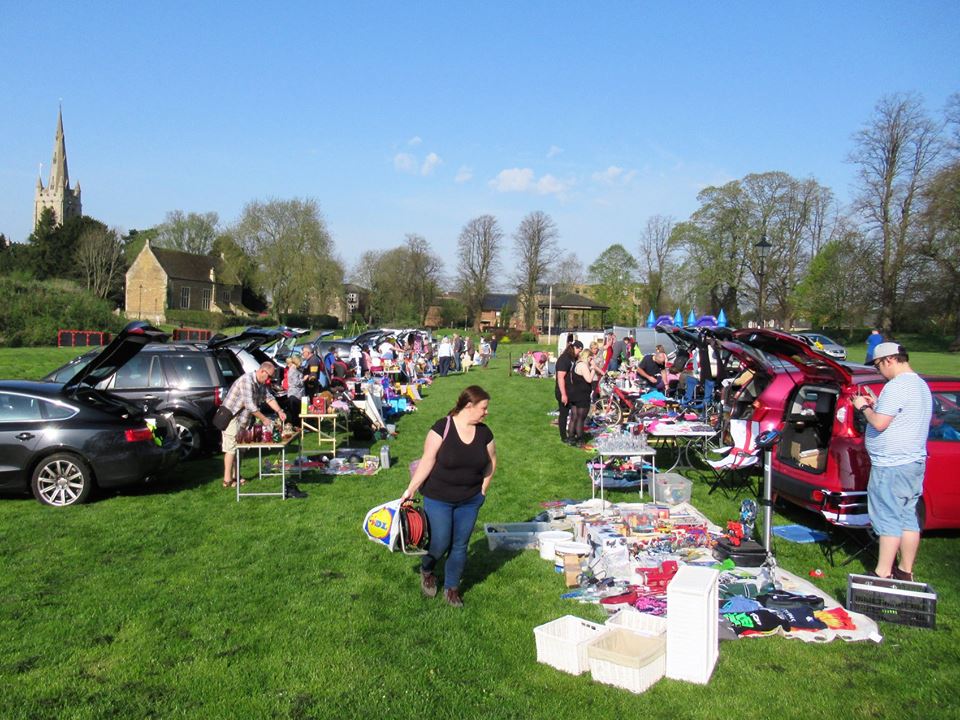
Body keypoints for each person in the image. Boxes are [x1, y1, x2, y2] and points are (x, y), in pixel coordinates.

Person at [401, 386, 496, 607]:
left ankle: (452, 588)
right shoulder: (441, 428)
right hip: (439, 497)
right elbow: (427, 460)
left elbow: (491, 461)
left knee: (460, 545)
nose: (486, 412)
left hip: (470, 499)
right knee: (440, 542)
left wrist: (482, 490)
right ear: (468, 406)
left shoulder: (484, 433)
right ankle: (427, 569)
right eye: (483, 408)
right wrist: (411, 489)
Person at [851, 342, 932, 581]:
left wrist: (863, 407)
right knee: (908, 517)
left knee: (887, 517)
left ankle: (883, 573)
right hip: (914, 462)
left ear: (889, 360)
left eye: (877, 366)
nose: (878, 371)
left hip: (891, 464)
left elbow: (879, 423)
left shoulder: (896, 387)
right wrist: (877, 406)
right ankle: (905, 571)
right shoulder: (920, 384)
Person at [221, 362, 306, 498]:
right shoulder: (247, 380)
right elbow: (250, 405)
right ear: (262, 371)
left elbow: (269, 398)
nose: (269, 380)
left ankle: (236, 475)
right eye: (269, 377)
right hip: (232, 417)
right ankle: (227, 479)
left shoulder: (261, 383)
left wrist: (279, 411)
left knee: (241, 449)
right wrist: (265, 419)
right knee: (231, 447)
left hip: (243, 420)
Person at [567, 348, 598, 445]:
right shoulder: (583, 366)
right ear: (588, 357)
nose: (591, 360)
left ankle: (571, 438)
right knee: (581, 418)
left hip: (574, 394)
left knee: (574, 417)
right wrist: (593, 368)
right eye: (590, 359)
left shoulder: (576, 364)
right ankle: (580, 439)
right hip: (582, 395)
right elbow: (589, 379)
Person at [554, 340, 579, 443]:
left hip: (571, 391)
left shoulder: (572, 358)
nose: (579, 352)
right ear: (574, 348)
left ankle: (573, 433)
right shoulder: (564, 359)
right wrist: (563, 394)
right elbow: (560, 377)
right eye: (579, 350)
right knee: (564, 414)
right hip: (562, 391)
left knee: (574, 412)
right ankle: (563, 436)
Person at [285, 354, 304, 428]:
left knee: (298, 411)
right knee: (295, 412)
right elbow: (296, 383)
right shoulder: (293, 370)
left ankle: (299, 426)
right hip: (294, 394)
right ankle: (296, 426)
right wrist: (304, 380)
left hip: (298, 394)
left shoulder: (297, 369)